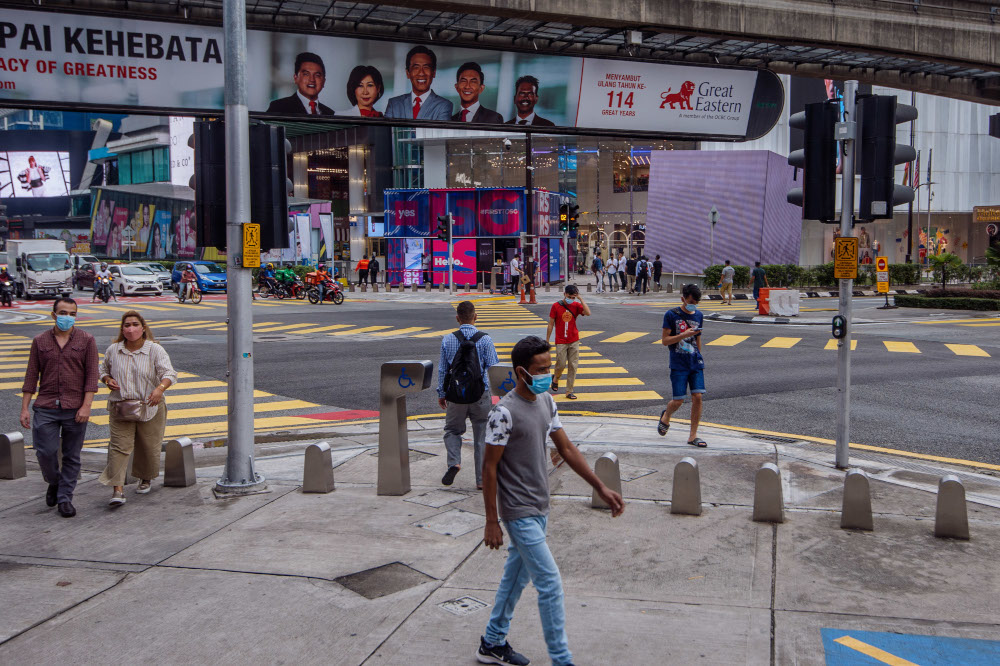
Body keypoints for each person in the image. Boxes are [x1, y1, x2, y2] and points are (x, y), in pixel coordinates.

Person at [478, 335, 624, 666]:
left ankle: (492, 641)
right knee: (550, 583)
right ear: (521, 371)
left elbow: (568, 449)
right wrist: (491, 521)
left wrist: (600, 486)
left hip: (541, 505)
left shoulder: (546, 401)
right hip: (518, 511)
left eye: (549, 367)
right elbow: (489, 468)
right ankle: (561, 659)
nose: (548, 374)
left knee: (516, 577)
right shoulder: (504, 413)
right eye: (541, 369)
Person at [19, 298, 99, 518]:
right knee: (45, 451)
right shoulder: (40, 341)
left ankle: (65, 499)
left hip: (75, 408)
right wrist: (25, 408)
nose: (68, 317)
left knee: (72, 456)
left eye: (72, 313)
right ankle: (54, 482)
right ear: (54, 315)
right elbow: (31, 376)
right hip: (45, 406)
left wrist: (86, 406)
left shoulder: (86, 340)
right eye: (63, 312)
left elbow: (92, 376)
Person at [98, 311, 177, 506]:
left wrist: (160, 389)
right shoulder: (113, 350)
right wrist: (107, 380)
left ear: (143, 328)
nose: (131, 329)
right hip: (121, 407)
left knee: (149, 446)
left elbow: (169, 373)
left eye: (135, 324)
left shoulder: (155, 350)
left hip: (150, 406)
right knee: (119, 447)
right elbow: (103, 371)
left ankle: (145, 478)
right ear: (122, 329)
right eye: (127, 325)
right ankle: (117, 489)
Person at [438, 301, 499, 489]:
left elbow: (443, 370)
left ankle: (454, 462)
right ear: (476, 317)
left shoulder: (448, 339)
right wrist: (495, 393)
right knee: (481, 436)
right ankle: (481, 480)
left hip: (456, 394)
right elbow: (494, 367)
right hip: (480, 394)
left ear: (457, 318)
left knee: (452, 431)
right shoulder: (485, 339)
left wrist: (442, 393)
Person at [657, 284, 707, 447]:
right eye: (691, 301)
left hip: (695, 362)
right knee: (678, 401)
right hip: (678, 362)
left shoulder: (699, 315)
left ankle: (693, 436)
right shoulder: (671, 315)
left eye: (696, 302)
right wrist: (683, 335)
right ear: (683, 299)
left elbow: (698, 338)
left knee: (698, 397)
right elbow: (665, 341)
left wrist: (699, 355)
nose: (693, 305)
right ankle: (666, 416)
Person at [384, 46, 453, 121]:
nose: (421, 73)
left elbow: (441, 132)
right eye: (416, 67)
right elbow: (386, 131)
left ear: (434, 73)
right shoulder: (394, 104)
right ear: (408, 73)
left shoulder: (444, 105)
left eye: (426, 67)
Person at [546, 285, 590, 401]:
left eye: (573, 297)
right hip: (561, 340)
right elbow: (550, 324)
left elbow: (588, 313)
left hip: (574, 339)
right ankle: (555, 378)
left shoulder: (576, 305)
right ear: (564, 294)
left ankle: (569, 391)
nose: (571, 299)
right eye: (569, 296)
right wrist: (547, 340)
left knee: (573, 365)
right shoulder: (556, 306)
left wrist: (580, 299)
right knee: (560, 364)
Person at [266, 52, 335, 116]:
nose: (312, 79)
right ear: (296, 78)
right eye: (306, 74)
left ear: (324, 81)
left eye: (317, 75)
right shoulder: (278, 107)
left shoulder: (330, 113)